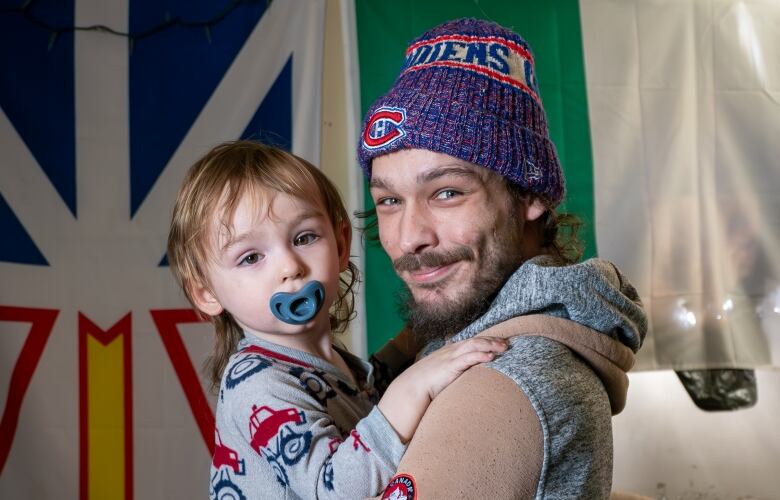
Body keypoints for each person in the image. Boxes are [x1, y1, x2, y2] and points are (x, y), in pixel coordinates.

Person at [358, 18, 648, 499]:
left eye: (446, 192)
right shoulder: (469, 341)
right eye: (389, 200)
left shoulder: (495, 383)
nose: (409, 238)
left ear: (529, 191)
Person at [165, 140, 508, 499]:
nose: (290, 267)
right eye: (251, 258)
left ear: (341, 244)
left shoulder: (327, 363)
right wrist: (413, 388)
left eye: (304, 237)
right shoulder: (257, 382)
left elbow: (356, 398)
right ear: (207, 293)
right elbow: (333, 489)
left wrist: (414, 341)